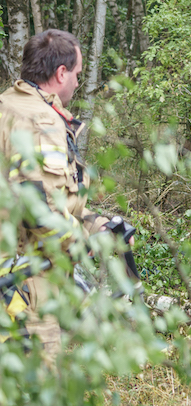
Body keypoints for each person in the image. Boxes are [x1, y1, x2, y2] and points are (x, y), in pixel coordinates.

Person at [0, 29, 123, 356]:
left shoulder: (8, 103)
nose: (79, 83)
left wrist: (97, 223)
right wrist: (85, 243)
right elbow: (39, 211)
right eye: (78, 74)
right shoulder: (41, 121)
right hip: (28, 279)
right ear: (61, 73)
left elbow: (49, 194)